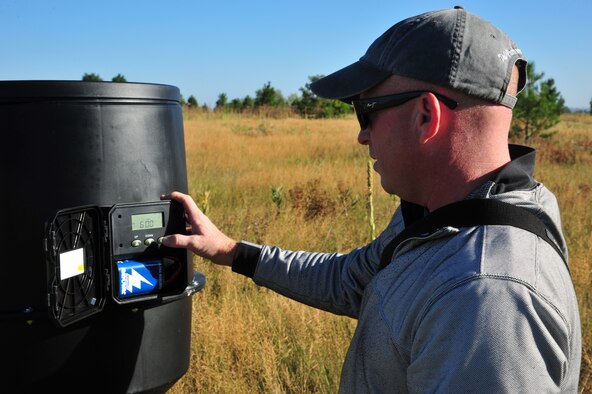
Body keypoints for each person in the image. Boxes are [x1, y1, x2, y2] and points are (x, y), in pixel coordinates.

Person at [162, 6, 581, 392]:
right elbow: (351, 280)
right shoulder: (443, 218)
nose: (362, 135)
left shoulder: (484, 297)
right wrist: (231, 251)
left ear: (425, 116)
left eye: (367, 111)